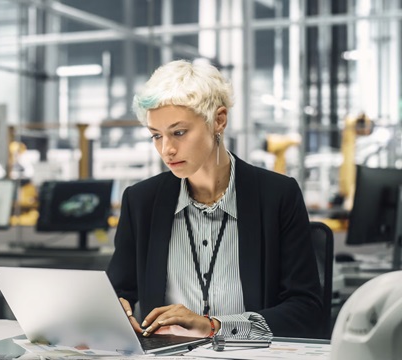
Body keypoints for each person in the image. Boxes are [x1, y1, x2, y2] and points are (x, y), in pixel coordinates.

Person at [107, 60, 322, 340]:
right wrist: (115, 308)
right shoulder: (141, 201)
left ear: (219, 120)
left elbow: (306, 310)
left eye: (179, 132)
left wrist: (214, 326)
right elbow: (117, 291)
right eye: (156, 136)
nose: (166, 149)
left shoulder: (277, 196)